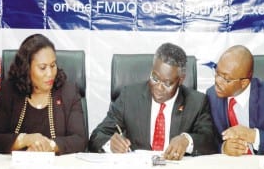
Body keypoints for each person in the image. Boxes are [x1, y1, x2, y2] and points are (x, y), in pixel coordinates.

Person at [88, 42, 216, 160]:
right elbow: (97, 136)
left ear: (181, 80)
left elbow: (210, 141)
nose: (158, 87)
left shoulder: (196, 102)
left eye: (167, 83)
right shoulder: (129, 97)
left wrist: (187, 140)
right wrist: (110, 144)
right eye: (154, 78)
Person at [0, 34, 87, 155]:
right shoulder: (10, 90)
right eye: (42, 68)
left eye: (53, 65)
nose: (50, 73)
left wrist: (50, 145)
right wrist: (25, 140)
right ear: (26, 68)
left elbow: (80, 139)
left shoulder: (68, 91)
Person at [206, 45, 264, 156]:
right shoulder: (211, 96)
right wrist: (223, 148)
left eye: (226, 78)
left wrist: (254, 136)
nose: (217, 81)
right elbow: (207, 139)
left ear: (244, 83)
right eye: (217, 73)